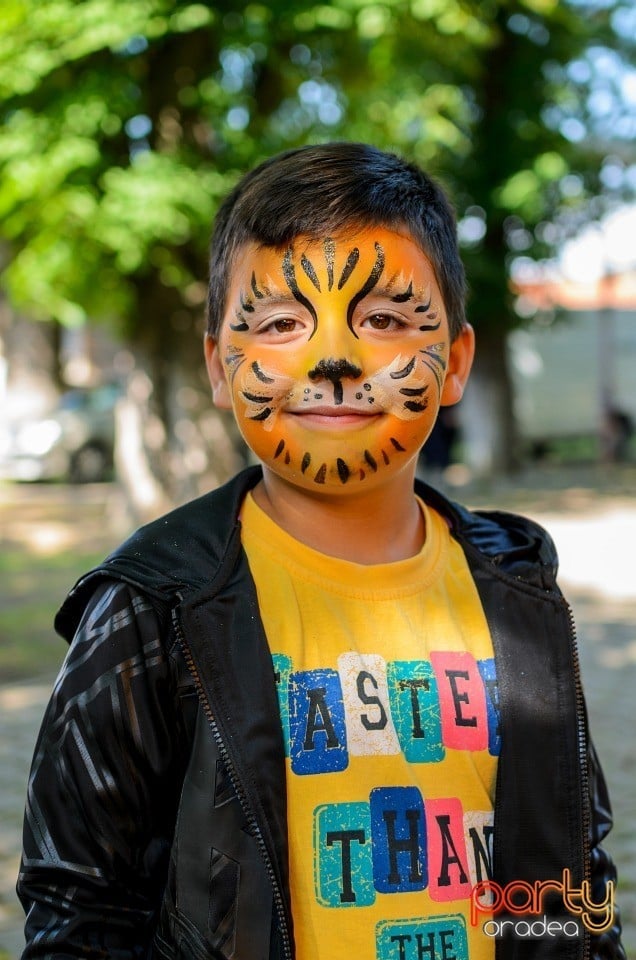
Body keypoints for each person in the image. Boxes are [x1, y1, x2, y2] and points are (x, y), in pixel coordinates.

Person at [18, 143, 624, 960]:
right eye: (277, 323)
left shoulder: (519, 594)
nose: (331, 358)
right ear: (220, 368)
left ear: (457, 364)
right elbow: (80, 911)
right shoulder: (150, 607)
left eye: (383, 319)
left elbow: (571, 877)